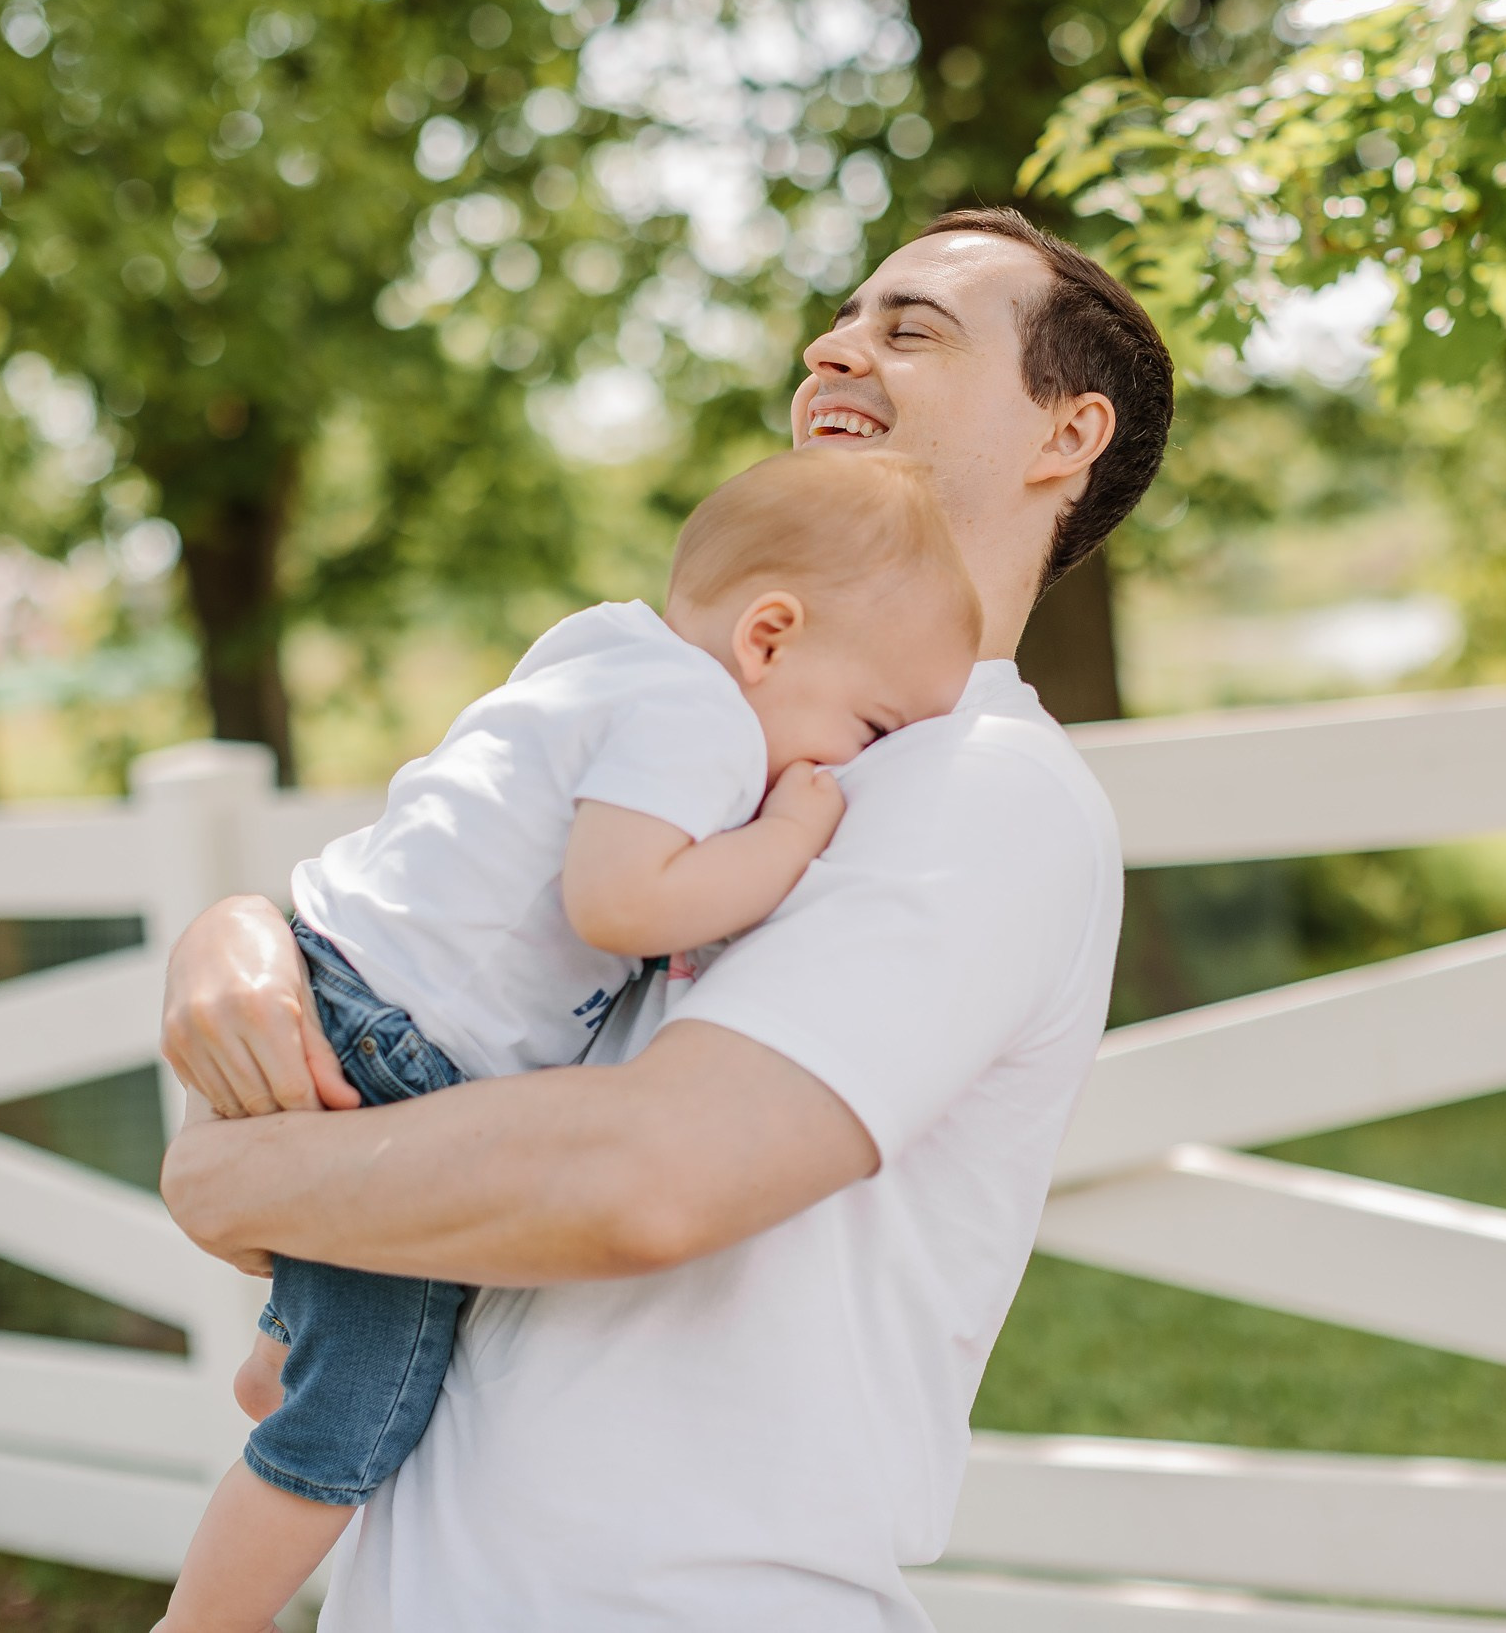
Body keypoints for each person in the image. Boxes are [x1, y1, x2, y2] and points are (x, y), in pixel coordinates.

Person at [158, 206, 1176, 1630]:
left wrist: (229, 1177)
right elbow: (432, 960)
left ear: (1065, 434)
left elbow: (646, 1175)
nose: (836, 346)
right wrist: (242, 930)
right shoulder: (719, 715)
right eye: (842, 316)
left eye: (912, 328)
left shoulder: (984, 786)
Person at [157, 453, 982, 1632]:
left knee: (345, 1341)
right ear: (767, 638)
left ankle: (289, 1345)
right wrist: (790, 835)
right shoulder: (697, 718)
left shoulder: (602, 649)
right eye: (868, 724)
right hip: (405, 1050)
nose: (850, 762)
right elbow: (621, 904)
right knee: (353, 1428)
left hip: (340, 970)